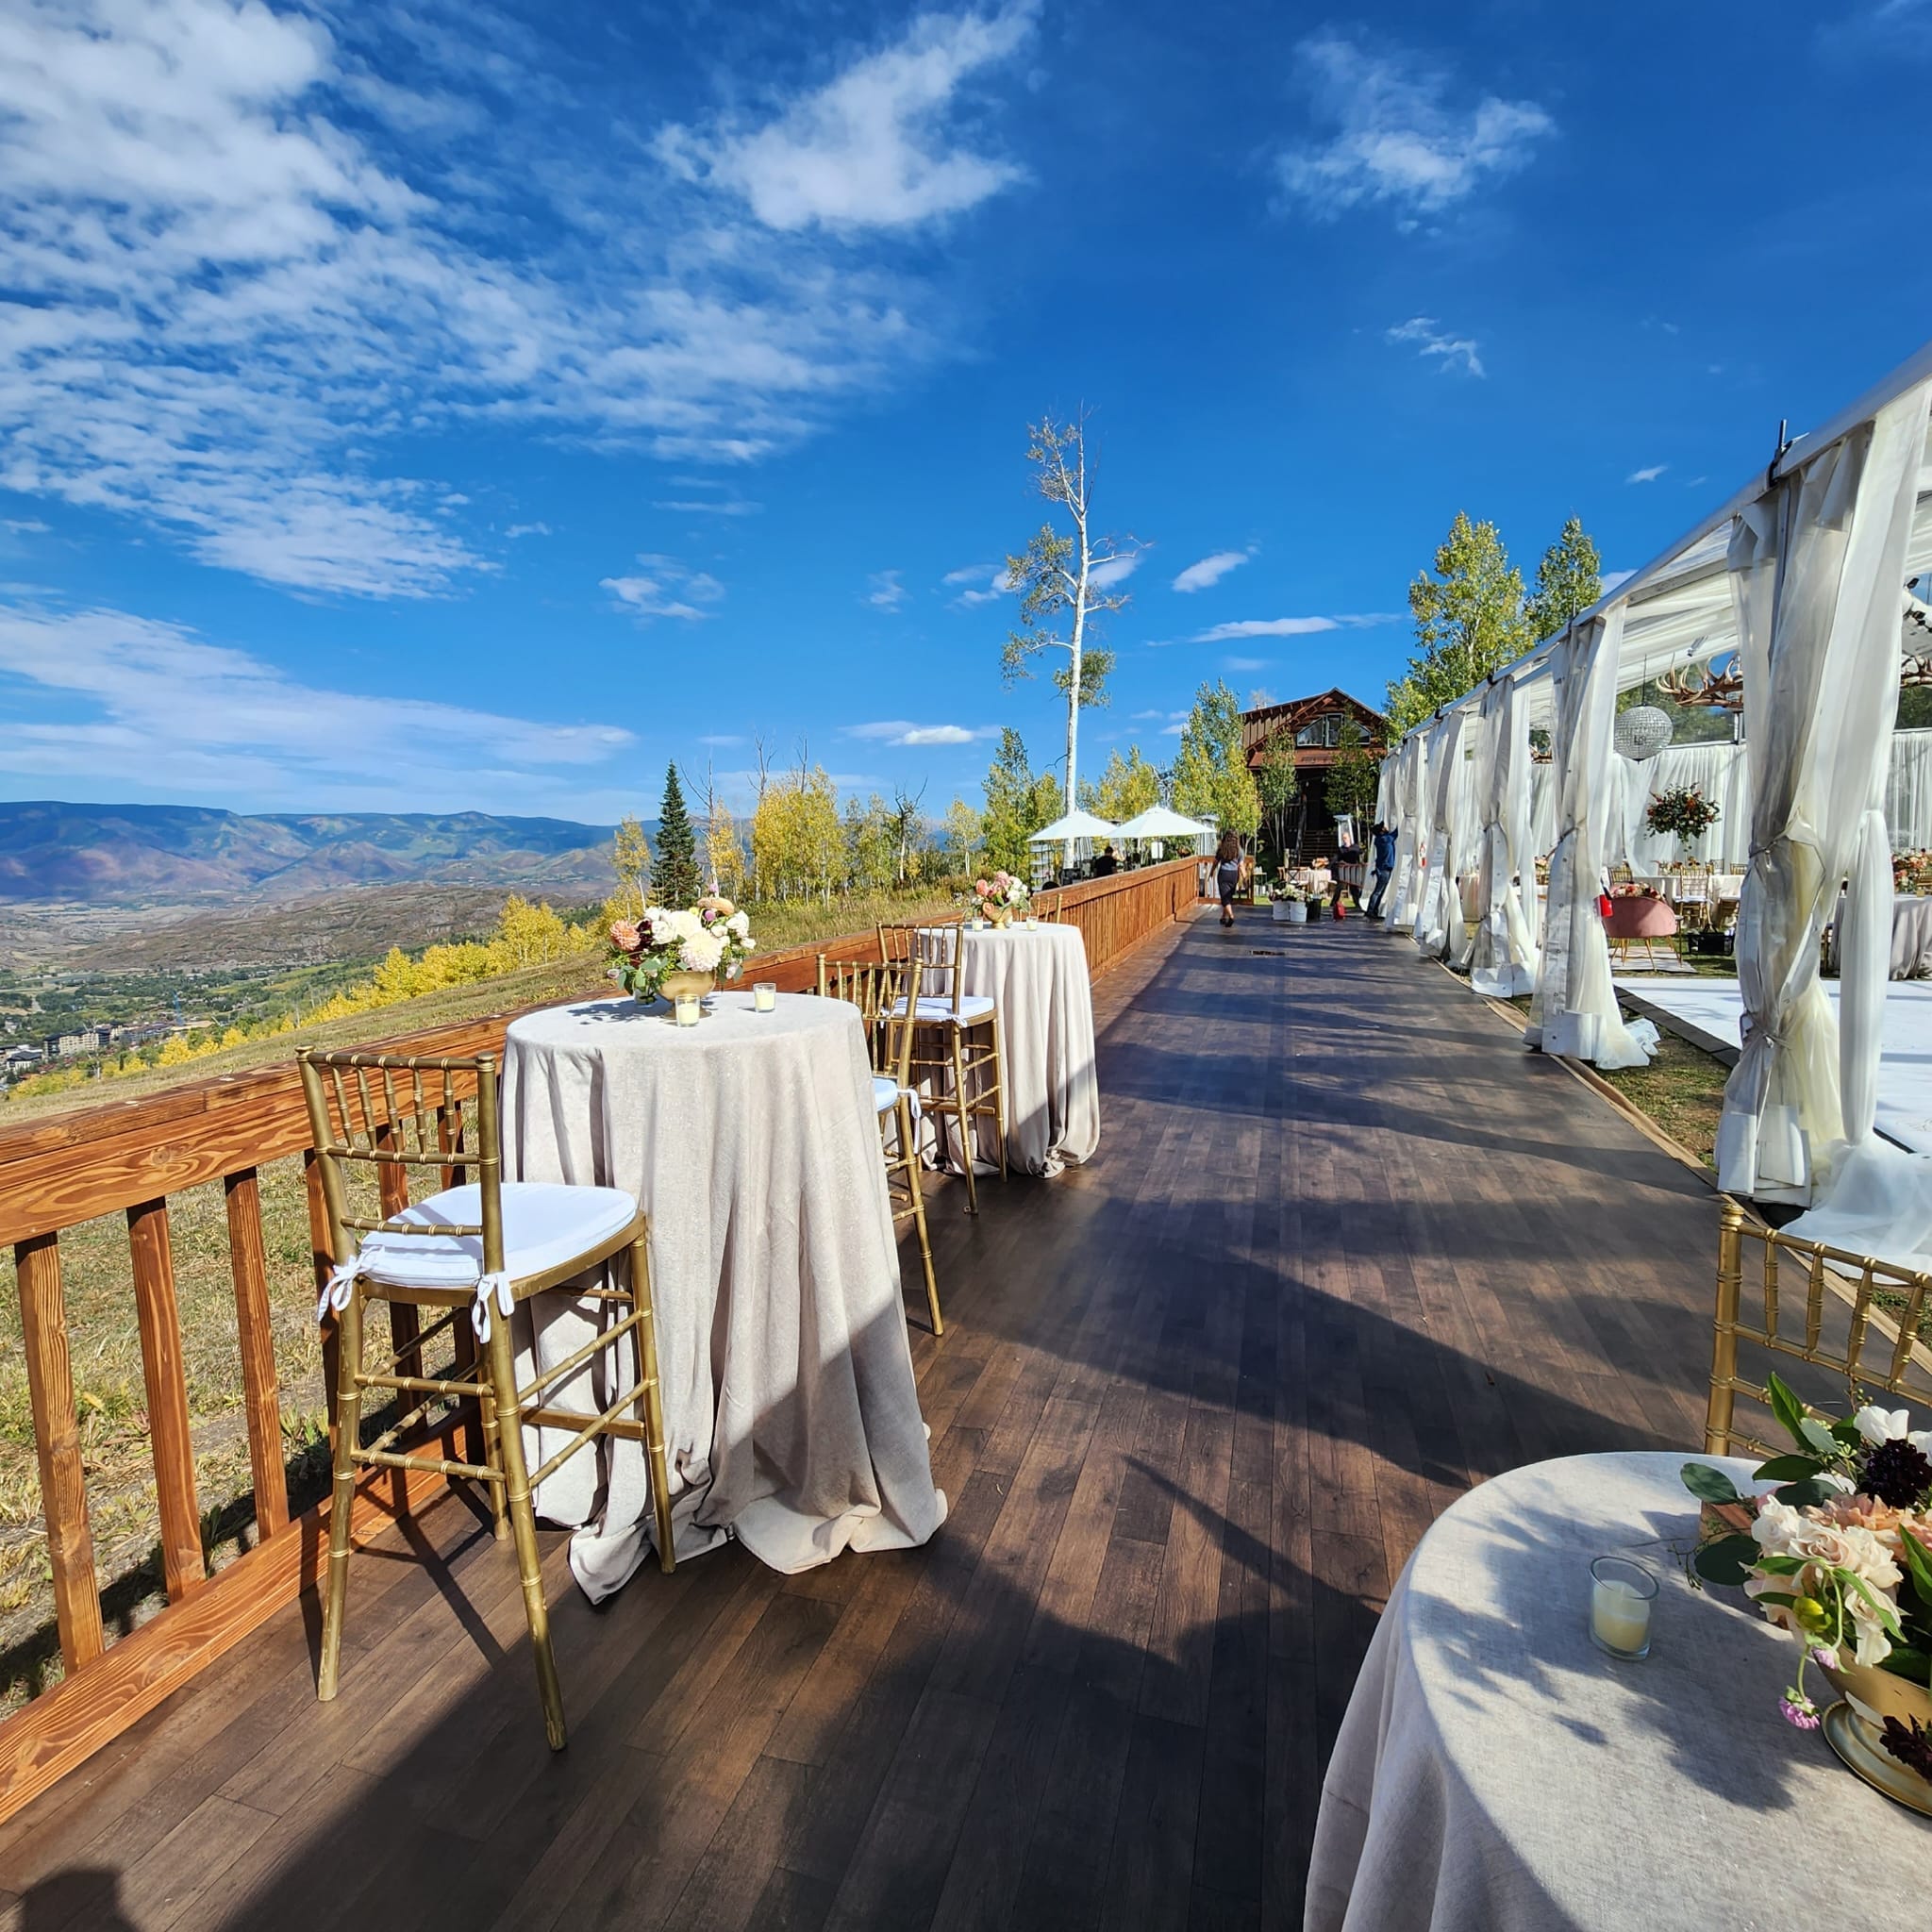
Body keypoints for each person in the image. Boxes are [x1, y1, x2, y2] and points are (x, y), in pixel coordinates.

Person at [1365, 821, 1398, 920]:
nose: (1386, 828)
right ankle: (1371, 910)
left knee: (1379, 891)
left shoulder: (1380, 839)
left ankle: (1373, 911)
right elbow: (1396, 833)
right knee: (1378, 891)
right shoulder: (1386, 839)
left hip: (1382, 868)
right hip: (1385, 869)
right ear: (1381, 831)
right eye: (1383, 828)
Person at [1214, 831, 1242, 927]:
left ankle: (1231, 916)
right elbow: (1241, 866)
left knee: (1224, 898)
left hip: (1223, 873)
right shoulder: (1239, 850)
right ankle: (1223, 917)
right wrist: (1244, 876)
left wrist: (1211, 871)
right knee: (1228, 896)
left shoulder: (1222, 849)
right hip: (1234, 875)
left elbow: (1215, 862)